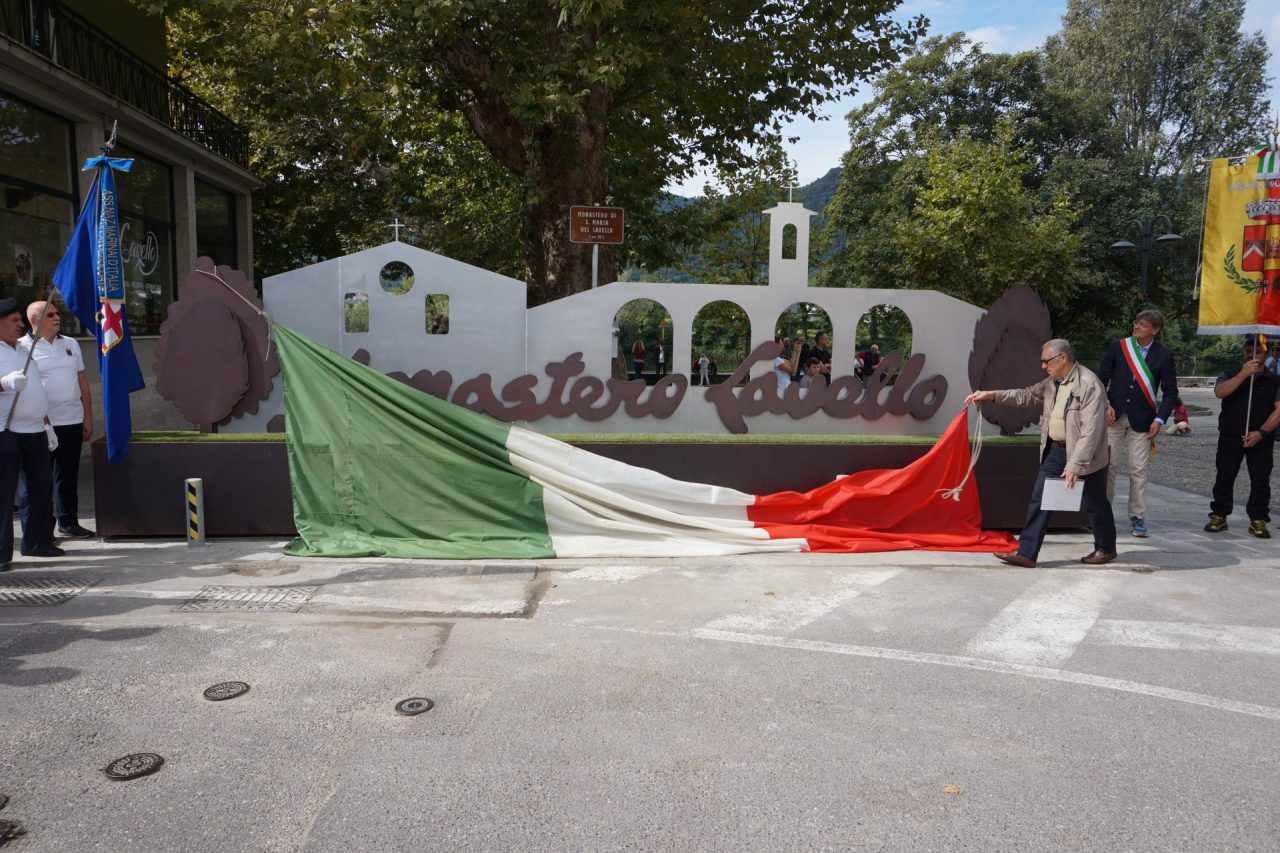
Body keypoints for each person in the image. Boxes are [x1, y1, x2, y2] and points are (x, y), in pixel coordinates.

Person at [965, 338, 1118, 568]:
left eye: (1046, 361)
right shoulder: (1052, 382)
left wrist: (1075, 465)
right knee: (1039, 499)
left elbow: (1092, 431)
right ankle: (1027, 553)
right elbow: (1025, 395)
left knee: (1095, 503)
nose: (1043, 366)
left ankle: (1106, 548)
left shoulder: (1089, 384)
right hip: (1055, 450)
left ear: (1062, 358)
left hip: (1084, 455)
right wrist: (991, 395)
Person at [1097, 310, 1178, 538]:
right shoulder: (1119, 346)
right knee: (1109, 466)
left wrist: (1160, 418)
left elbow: (1171, 392)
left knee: (1138, 470)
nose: (1137, 327)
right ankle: (1102, 513)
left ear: (1155, 330)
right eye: (1136, 323)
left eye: (1143, 325)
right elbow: (1100, 378)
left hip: (1143, 420)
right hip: (1113, 415)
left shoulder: (1164, 355)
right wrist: (1105, 404)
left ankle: (1138, 515)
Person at [19, 300, 95, 539]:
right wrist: (42, 420)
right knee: (40, 479)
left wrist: (88, 417)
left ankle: (69, 521)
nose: (57, 318)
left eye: (58, 313)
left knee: (68, 474)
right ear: (35, 321)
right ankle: (43, 528)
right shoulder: (22, 348)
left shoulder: (70, 344)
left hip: (71, 419)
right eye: (50, 314)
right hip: (40, 424)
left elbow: (82, 381)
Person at [0, 297, 62, 570]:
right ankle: (1, 554)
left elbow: (37, 387)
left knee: (40, 489)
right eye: (13, 321)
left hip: (35, 430)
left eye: (20, 320)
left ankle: (37, 542)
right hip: (6, 430)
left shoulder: (24, 349)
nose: (19, 325)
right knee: (4, 495)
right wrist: (3, 383)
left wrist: (46, 423)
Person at [1204, 339, 1280, 538]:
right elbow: (1220, 392)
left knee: (1261, 479)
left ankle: (1258, 519)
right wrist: (1243, 374)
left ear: (1266, 354)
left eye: (1257, 351)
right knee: (1225, 476)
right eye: (1248, 351)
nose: (1251, 355)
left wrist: (1261, 432)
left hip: (1261, 438)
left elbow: (1279, 410)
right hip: (1231, 434)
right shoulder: (1230, 374)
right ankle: (1219, 515)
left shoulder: (1275, 380)